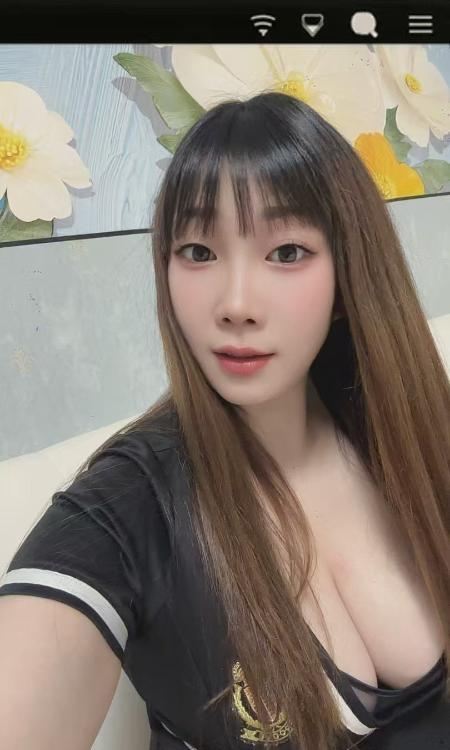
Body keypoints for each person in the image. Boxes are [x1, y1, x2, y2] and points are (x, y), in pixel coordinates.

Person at [0, 91, 449, 750]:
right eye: (198, 251)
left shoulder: (400, 426)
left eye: (286, 252)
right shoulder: (131, 504)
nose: (236, 304)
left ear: (348, 273)